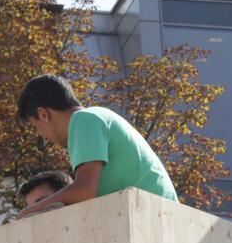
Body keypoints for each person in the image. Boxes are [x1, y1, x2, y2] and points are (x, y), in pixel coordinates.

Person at [15, 74, 177, 220]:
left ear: (44, 114)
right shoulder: (96, 116)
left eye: (36, 127)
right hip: (158, 214)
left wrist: (28, 213)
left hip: (155, 217)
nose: (42, 136)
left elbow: (84, 191)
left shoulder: (83, 120)